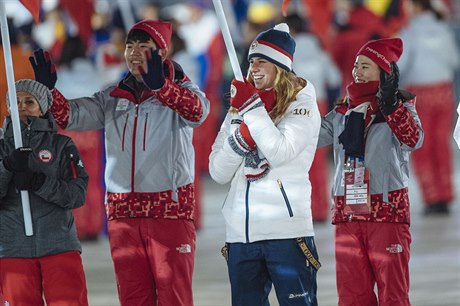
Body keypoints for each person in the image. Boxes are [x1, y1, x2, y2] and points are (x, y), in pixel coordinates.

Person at [28, 19, 210, 306]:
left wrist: (162, 87)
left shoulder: (183, 91)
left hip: (169, 211)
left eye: (143, 46)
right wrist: (50, 93)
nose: (134, 52)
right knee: (133, 297)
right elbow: (71, 116)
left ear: (162, 53)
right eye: (130, 45)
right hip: (123, 213)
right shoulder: (113, 96)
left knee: (173, 295)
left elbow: (198, 113)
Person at [209, 23, 321, 306]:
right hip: (241, 235)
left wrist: (253, 112)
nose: (254, 67)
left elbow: (281, 151)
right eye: (252, 61)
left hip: (287, 233)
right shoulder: (241, 105)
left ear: (280, 66)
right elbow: (218, 171)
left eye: (263, 61)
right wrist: (241, 137)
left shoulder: (301, 103)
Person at [317, 38, 423, 306]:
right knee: (352, 296)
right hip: (348, 214)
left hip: (387, 214)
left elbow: (414, 139)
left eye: (365, 66)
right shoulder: (343, 110)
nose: (357, 72)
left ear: (384, 71)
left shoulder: (402, 106)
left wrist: (391, 107)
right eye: (356, 66)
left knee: (393, 295)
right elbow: (310, 138)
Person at [0, 79, 89, 305]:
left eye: (29, 101)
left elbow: (77, 194)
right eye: (16, 101)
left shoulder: (62, 145)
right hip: (12, 248)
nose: (21, 106)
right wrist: (6, 167)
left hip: (58, 245)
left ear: (43, 107)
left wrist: (40, 182)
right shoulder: (1, 147)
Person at [397, 0, 460, 215]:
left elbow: (400, 65)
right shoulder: (444, 30)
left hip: (420, 94)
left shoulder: (409, 32)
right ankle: (445, 195)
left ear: (416, 7)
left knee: (422, 145)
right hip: (444, 91)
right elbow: (454, 60)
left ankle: (432, 198)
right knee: (442, 144)